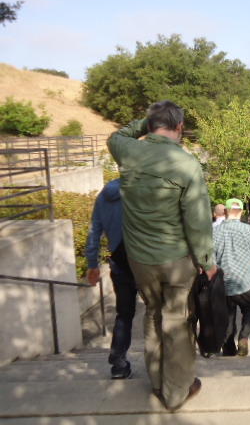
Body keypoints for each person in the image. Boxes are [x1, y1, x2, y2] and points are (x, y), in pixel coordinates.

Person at [107, 100, 217, 412]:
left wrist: (147, 122)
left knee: (153, 314)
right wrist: (207, 262)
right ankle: (176, 391)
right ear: (180, 127)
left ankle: (157, 381)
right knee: (177, 321)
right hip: (177, 260)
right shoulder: (186, 164)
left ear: (151, 124)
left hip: (140, 260)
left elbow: (117, 136)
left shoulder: (127, 150)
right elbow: (197, 221)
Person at [85, 178, 137, 379]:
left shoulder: (103, 196)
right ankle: (160, 361)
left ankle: (118, 362)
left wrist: (93, 264)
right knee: (155, 312)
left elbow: (94, 232)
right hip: (145, 260)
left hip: (119, 261)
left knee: (124, 313)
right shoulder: (141, 188)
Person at [213, 198, 250, 357]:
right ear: (241, 212)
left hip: (224, 282)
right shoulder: (248, 230)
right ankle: (243, 337)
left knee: (227, 316)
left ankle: (228, 348)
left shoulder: (215, 231)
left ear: (225, 212)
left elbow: (210, 258)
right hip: (245, 281)